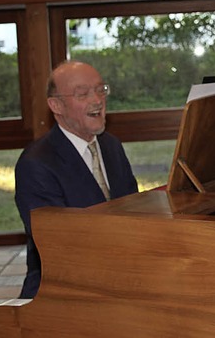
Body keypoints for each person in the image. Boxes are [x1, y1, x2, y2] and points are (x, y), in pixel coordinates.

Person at [15, 61, 138, 299]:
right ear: (56, 105)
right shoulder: (36, 163)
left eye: (101, 90)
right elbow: (58, 242)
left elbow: (134, 210)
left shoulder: (111, 146)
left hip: (121, 275)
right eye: (83, 94)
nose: (97, 100)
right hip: (62, 291)